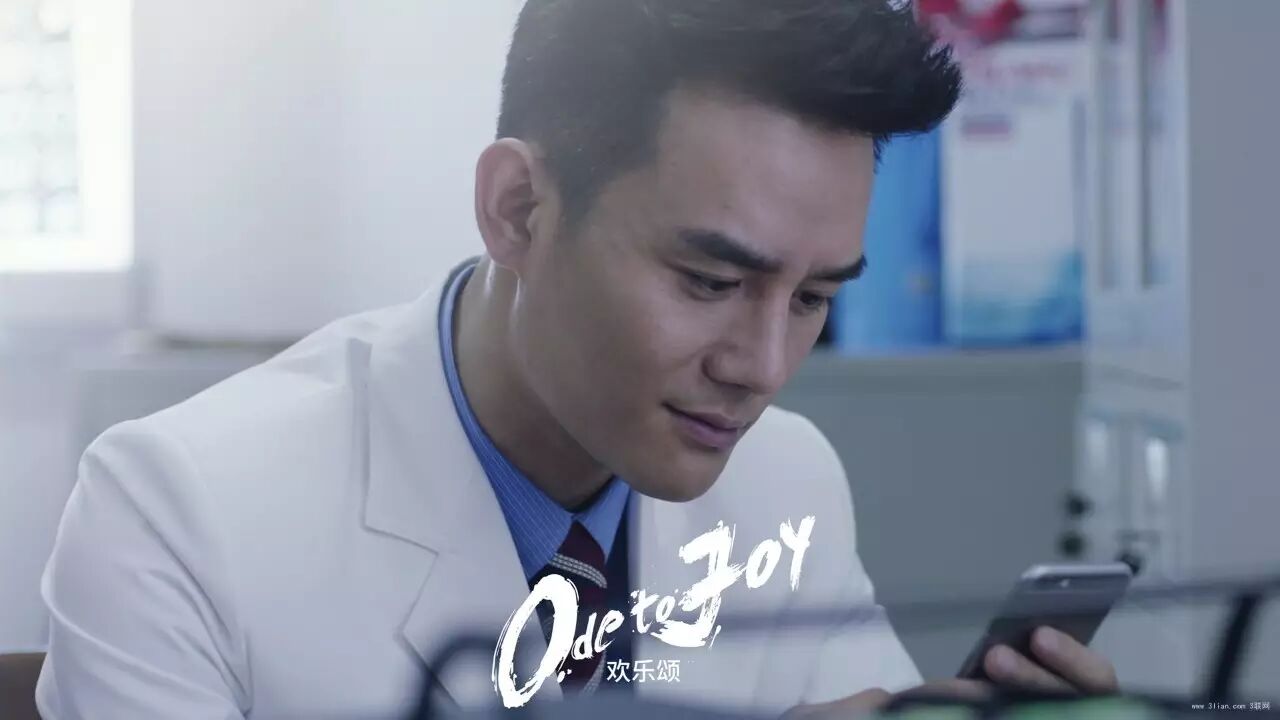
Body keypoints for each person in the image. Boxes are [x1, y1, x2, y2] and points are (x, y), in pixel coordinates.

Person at [36, 1, 1119, 717]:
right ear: (517, 208)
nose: (760, 366)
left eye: (812, 299)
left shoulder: (788, 482)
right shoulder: (174, 513)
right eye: (709, 281)